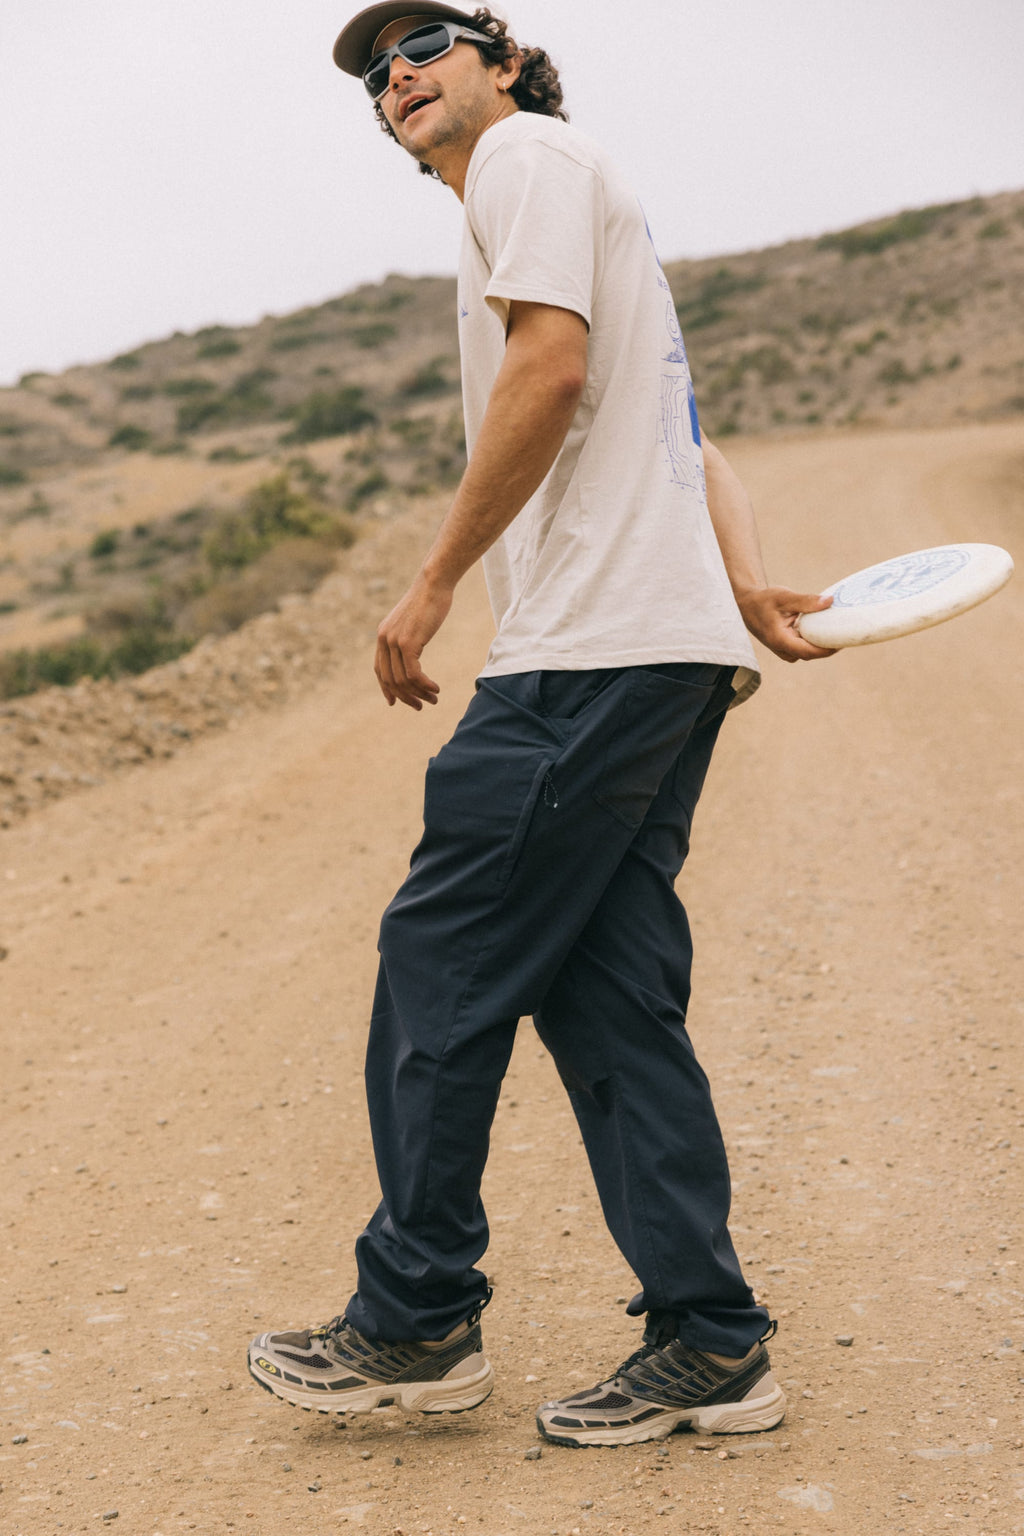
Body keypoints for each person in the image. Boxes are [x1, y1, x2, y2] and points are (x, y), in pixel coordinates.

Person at [248, 2, 833, 1448]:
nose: (398, 74)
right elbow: (684, 434)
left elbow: (555, 373)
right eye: (377, 72)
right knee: (605, 999)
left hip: (585, 659)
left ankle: (416, 1319)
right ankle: (713, 1345)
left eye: (428, 42)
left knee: (437, 961)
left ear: (501, 62)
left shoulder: (526, 160)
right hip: (661, 652)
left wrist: (436, 581)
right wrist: (739, 586)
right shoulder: (554, 193)